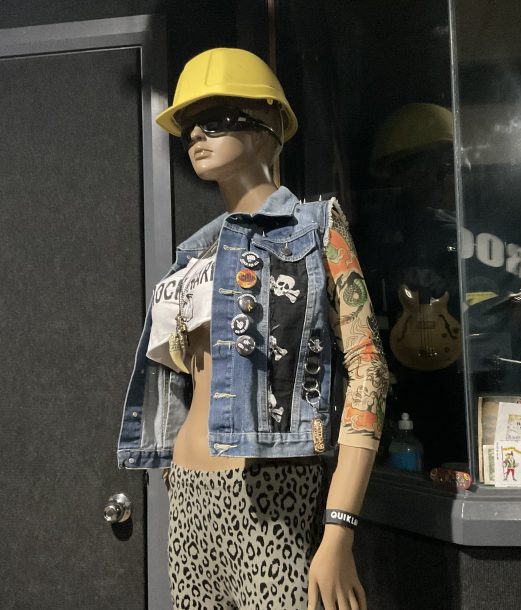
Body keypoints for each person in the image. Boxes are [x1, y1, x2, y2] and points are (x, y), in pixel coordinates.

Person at [117, 48, 388, 610]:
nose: (196, 134)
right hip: (187, 489)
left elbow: (368, 367)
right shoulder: (193, 255)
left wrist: (339, 527)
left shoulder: (315, 228)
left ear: (270, 125)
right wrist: (172, 474)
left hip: (272, 488)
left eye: (217, 118)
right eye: (189, 125)